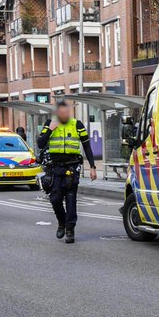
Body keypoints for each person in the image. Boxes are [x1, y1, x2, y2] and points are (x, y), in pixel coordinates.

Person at [36, 101, 98, 244]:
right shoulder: (49, 123)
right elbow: (40, 143)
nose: (64, 114)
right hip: (55, 167)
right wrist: (50, 129)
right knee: (55, 198)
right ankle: (61, 222)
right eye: (61, 112)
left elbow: (87, 146)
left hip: (72, 167)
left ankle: (70, 229)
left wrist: (93, 167)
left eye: (66, 112)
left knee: (71, 199)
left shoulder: (77, 124)